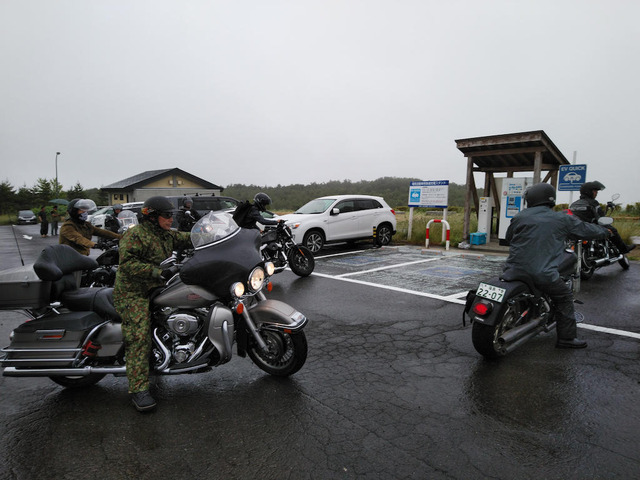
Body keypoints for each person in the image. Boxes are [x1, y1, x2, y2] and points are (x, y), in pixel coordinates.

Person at [504, 182, 611, 349]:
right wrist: (606, 231)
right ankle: (567, 339)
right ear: (550, 199)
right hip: (541, 273)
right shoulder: (561, 218)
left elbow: (509, 238)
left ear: (531, 199)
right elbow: (586, 230)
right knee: (564, 296)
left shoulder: (520, 216)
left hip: (513, 269)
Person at [113, 196, 192, 412]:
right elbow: (127, 264)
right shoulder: (135, 235)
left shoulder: (165, 235)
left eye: (172, 216)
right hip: (133, 292)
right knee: (138, 336)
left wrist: (215, 236)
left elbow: (186, 237)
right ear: (152, 216)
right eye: (167, 216)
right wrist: (158, 272)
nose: (170, 220)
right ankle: (138, 389)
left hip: (156, 288)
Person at [570, 181, 636, 253]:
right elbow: (601, 217)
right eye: (594, 191)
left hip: (577, 227)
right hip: (591, 227)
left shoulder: (574, 204)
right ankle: (624, 249)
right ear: (588, 192)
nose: (596, 193)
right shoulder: (593, 202)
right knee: (613, 230)